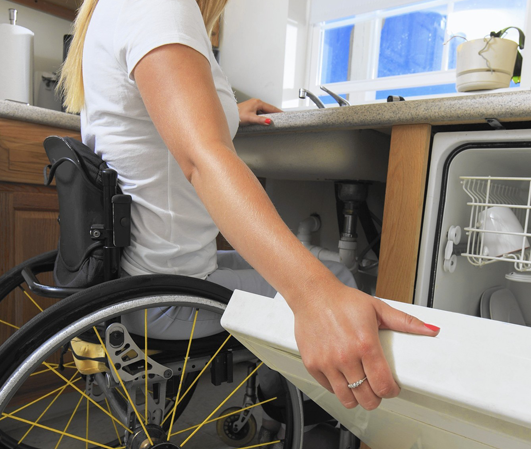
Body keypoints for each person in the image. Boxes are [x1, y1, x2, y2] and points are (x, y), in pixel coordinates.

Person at [58, 0, 440, 414]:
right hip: (169, 297)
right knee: (336, 277)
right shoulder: (161, 5)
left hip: (139, 277)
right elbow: (204, 161)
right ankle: (301, 414)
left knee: (318, 272)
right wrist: (314, 297)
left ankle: (284, 406)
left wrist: (226, 111)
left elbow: (148, 117)